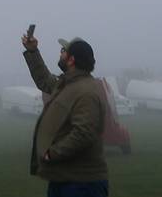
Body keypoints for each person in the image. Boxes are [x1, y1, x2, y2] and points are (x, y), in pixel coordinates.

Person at [23, 27, 110, 196]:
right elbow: (44, 79)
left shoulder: (86, 91)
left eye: (63, 51)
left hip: (82, 183)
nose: (60, 53)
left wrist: (52, 153)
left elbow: (84, 133)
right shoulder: (67, 85)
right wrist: (32, 52)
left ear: (71, 59)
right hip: (63, 178)